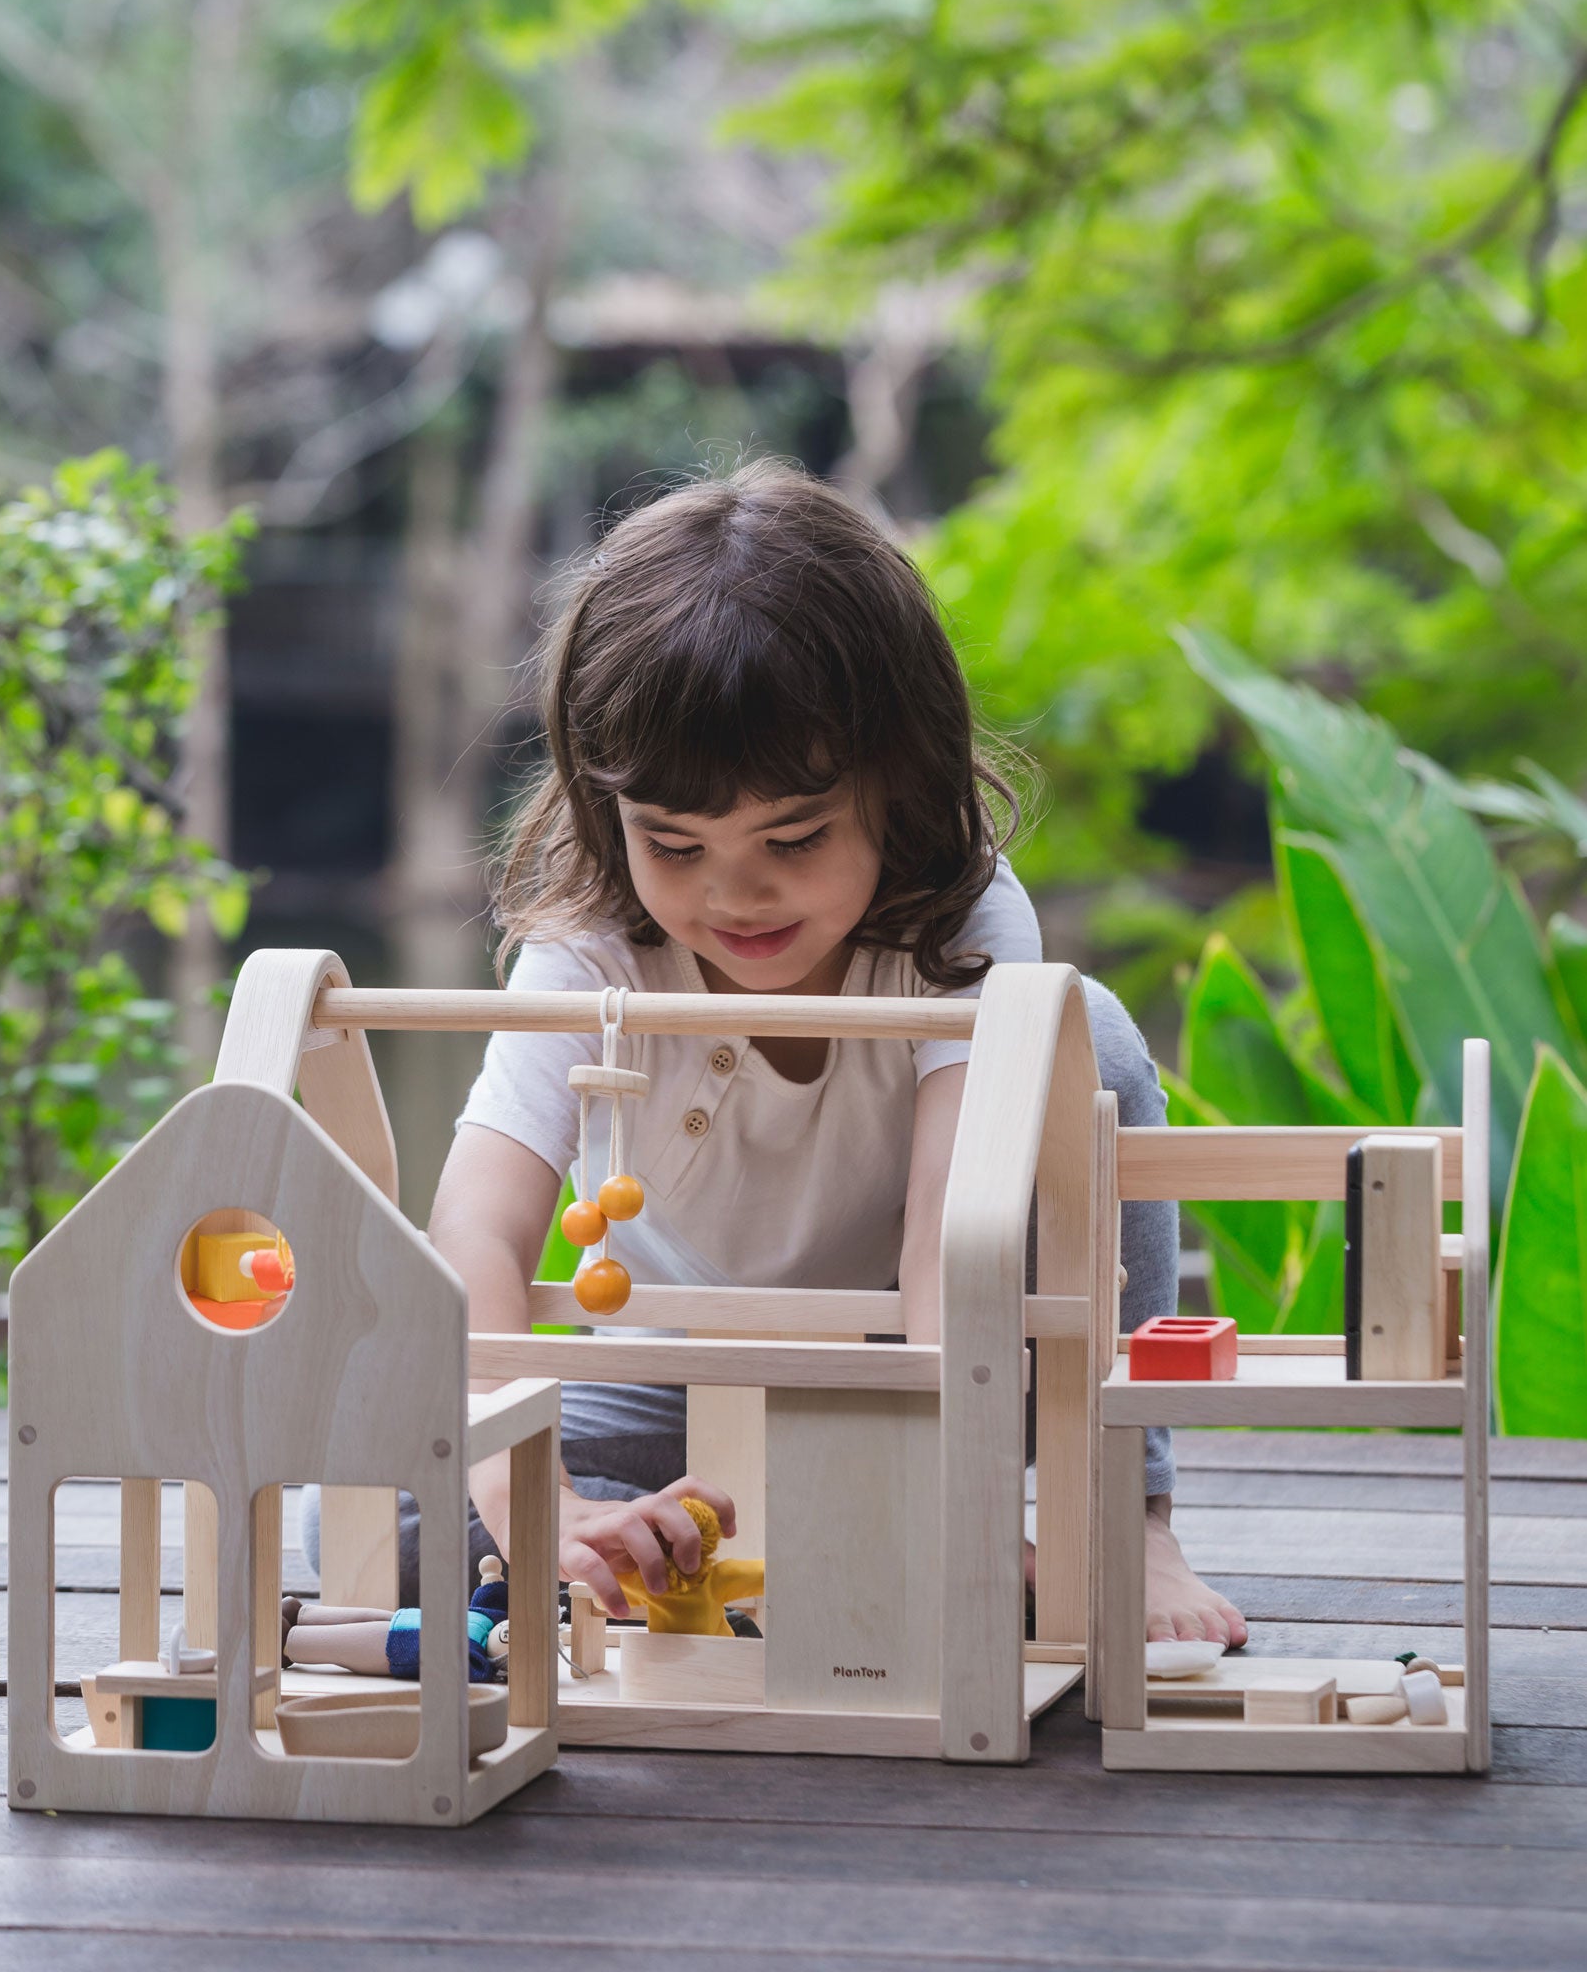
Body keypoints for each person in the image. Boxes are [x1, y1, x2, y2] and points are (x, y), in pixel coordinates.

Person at [306, 459, 1245, 1650]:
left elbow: (941, 1255)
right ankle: (739, 1538)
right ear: (611, 815)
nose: (733, 891)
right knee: (372, 1523)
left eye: (791, 837)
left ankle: (1126, 1513)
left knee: (1084, 1037)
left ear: (894, 788)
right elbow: (478, 1233)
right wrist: (532, 1499)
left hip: (937, 1357)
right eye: (673, 841)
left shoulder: (960, 925)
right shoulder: (587, 950)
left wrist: (933, 1490)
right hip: (675, 1381)